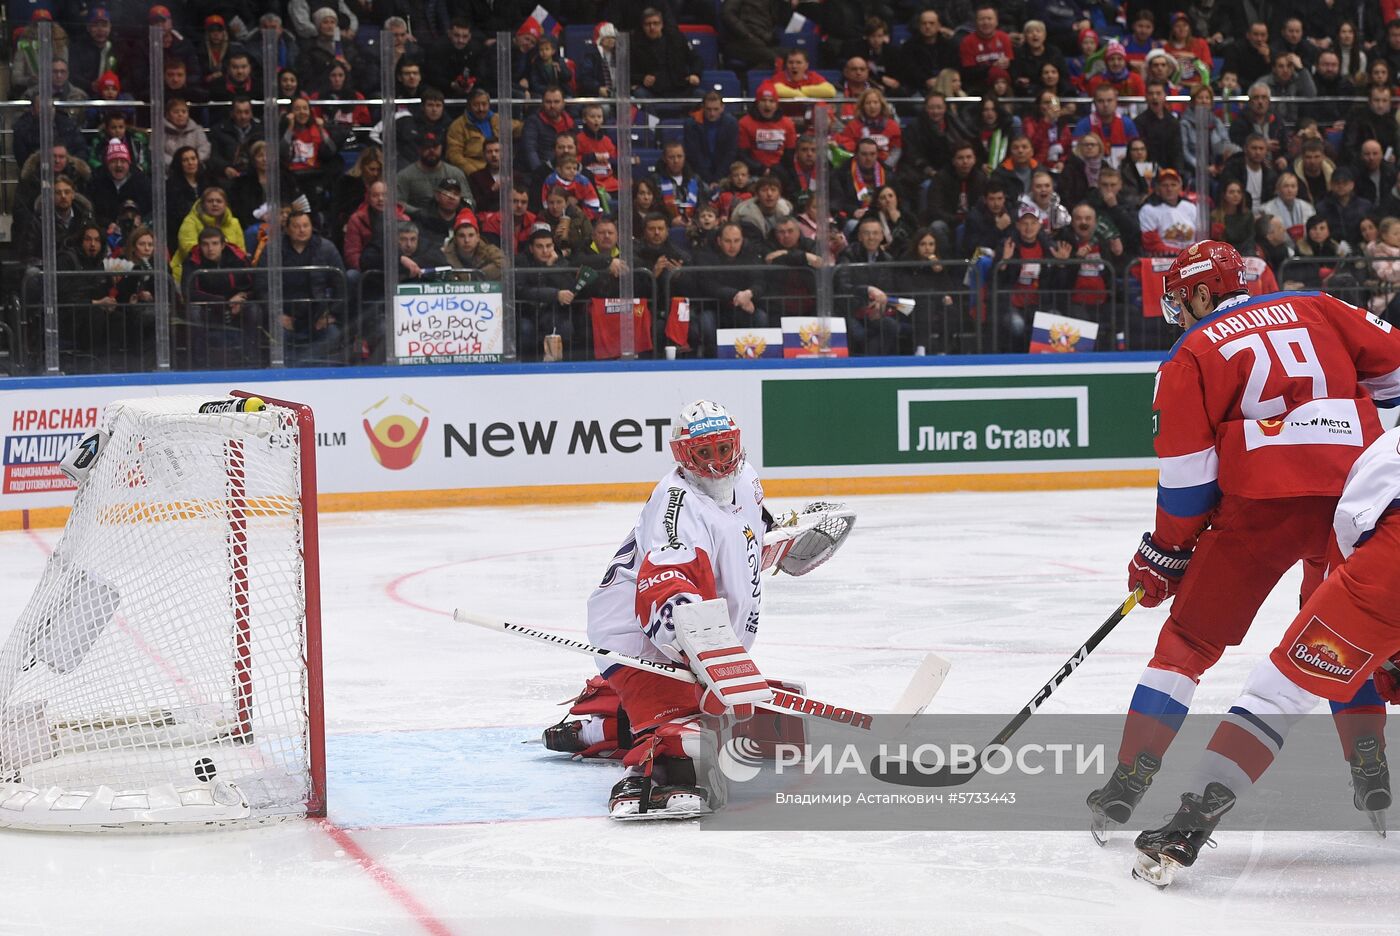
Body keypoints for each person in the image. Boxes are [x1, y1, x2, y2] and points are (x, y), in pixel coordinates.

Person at [1086, 239, 1400, 844]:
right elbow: (1393, 369)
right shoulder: (1318, 305)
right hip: (1350, 497)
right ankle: (1369, 764)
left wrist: (1166, 551)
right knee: (1341, 633)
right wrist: (1364, 436)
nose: (1178, 314)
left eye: (1181, 301)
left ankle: (1128, 780)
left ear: (1204, 293)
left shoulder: (1192, 351)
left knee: (1186, 641)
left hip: (1259, 509)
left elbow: (1189, 472)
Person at [541, 399, 786, 817]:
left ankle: (605, 722)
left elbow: (752, 528)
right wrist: (704, 652)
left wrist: (786, 542)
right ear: (683, 455)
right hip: (641, 641)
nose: (717, 463)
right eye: (704, 453)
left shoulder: (745, 479)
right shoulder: (677, 507)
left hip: (696, 638)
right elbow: (666, 588)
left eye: (723, 449)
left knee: (753, 724)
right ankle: (648, 760)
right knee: (691, 742)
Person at [256, 211, 345, 365]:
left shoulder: (326, 248)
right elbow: (262, 285)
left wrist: (331, 314)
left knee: (333, 334)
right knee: (278, 338)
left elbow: (341, 283)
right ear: (287, 229)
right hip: (285, 318)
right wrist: (277, 315)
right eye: (296, 226)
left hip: (317, 317)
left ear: (312, 227)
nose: (302, 230)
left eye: (305, 225)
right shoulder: (273, 250)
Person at [182, 226, 258, 369]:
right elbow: (188, 292)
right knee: (193, 312)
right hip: (208, 309)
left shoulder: (237, 257)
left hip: (236, 307)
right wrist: (224, 302)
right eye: (205, 244)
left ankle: (251, 361)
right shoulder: (192, 260)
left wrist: (244, 297)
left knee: (253, 309)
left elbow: (255, 285)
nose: (210, 248)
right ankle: (199, 365)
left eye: (215, 243)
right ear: (199, 246)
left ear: (223, 245)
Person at [836, 215, 906, 355]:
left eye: (875, 233)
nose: (871, 237)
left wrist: (881, 305)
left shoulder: (887, 259)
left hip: (878, 312)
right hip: (852, 311)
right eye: (867, 233)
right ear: (860, 237)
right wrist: (867, 291)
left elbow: (891, 289)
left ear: (882, 236)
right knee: (867, 333)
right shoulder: (848, 255)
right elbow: (842, 286)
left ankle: (872, 367)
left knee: (889, 326)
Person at [684, 92, 740, 187]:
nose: (712, 113)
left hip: (723, 173)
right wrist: (708, 179)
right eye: (708, 109)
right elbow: (694, 154)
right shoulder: (691, 124)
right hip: (698, 173)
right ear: (703, 107)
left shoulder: (731, 123)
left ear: (722, 108)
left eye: (716, 109)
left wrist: (717, 178)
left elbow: (731, 153)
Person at [443, 212, 504, 281]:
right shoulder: (444, 256)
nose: (466, 240)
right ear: (455, 239)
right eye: (461, 236)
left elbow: (504, 263)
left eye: (471, 235)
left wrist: (475, 276)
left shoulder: (489, 251)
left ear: (478, 237)